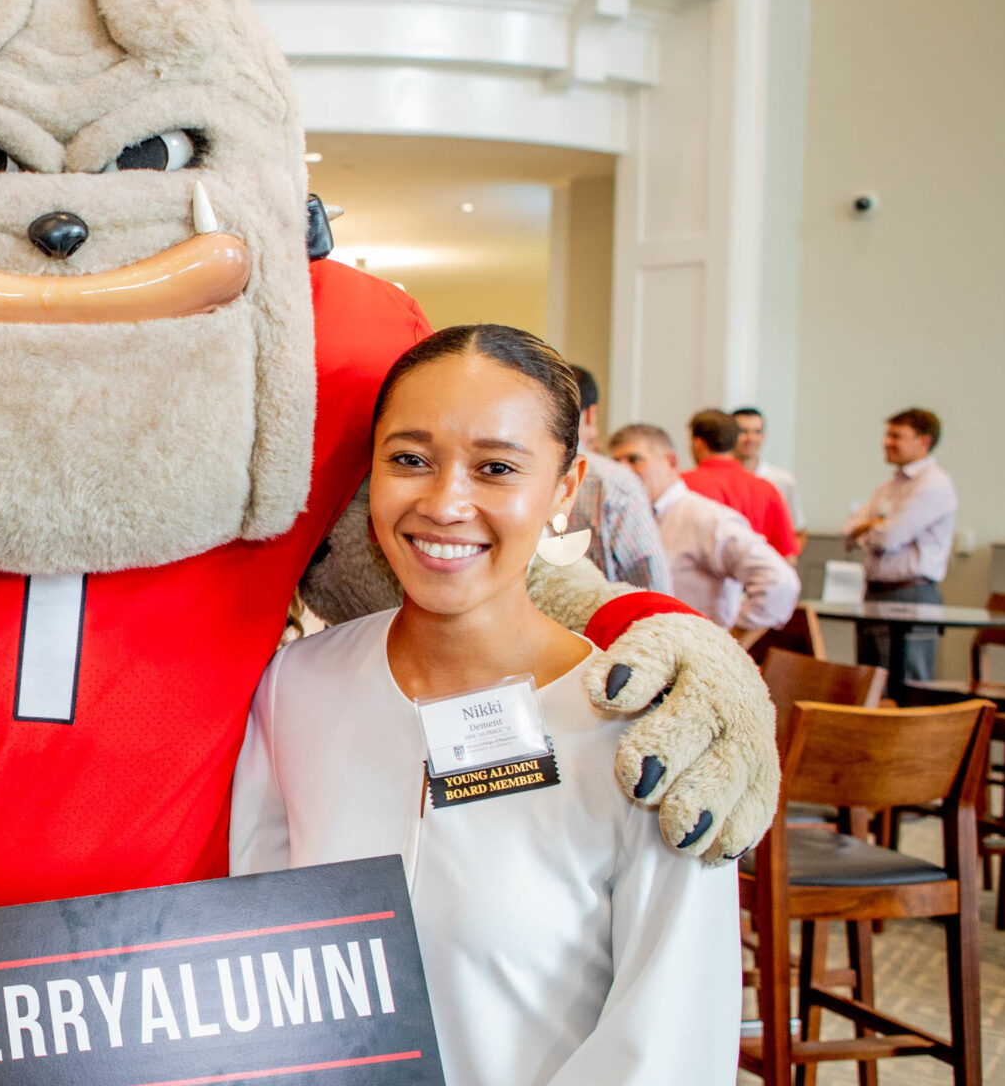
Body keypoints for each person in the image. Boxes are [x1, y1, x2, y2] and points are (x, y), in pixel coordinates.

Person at [231, 325, 741, 1085]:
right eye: (410, 460)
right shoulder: (295, 688)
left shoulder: (644, 733)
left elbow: (669, 1043)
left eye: (496, 467)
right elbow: (258, 956)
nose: (445, 503)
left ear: (565, 489)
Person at [608, 423, 800, 646]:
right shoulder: (635, 518)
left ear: (670, 462)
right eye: (616, 463)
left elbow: (780, 582)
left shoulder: (704, 517)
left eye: (634, 460)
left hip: (694, 659)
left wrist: (728, 646)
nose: (624, 472)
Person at [842, 408, 957, 683]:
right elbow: (847, 530)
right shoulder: (890, 486)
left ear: (923, 441)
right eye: (887, 435)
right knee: (869, 684)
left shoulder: (933, 484)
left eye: (897, 436)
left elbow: (889, 537)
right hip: (876, 594)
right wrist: (874, 525)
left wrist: (872, 526)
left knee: (907, 683)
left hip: (911, 595)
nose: (887, 442)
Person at [565, 365, 671, 591]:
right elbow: (652, 583)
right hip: (600, 622)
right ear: (591, 414)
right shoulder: (615, 482)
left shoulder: (512, 470)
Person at [682, 409, 800, 561]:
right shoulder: (766, 489)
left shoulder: (681, 485)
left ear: (698, 444)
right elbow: (788, 557)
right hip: (754, 579)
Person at [730, 407, 805, 547]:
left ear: (763, 436)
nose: (751, 438)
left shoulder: (782, 481)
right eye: (743, 432)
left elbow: (798, 532)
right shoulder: (720, 479)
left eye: (757, 432)